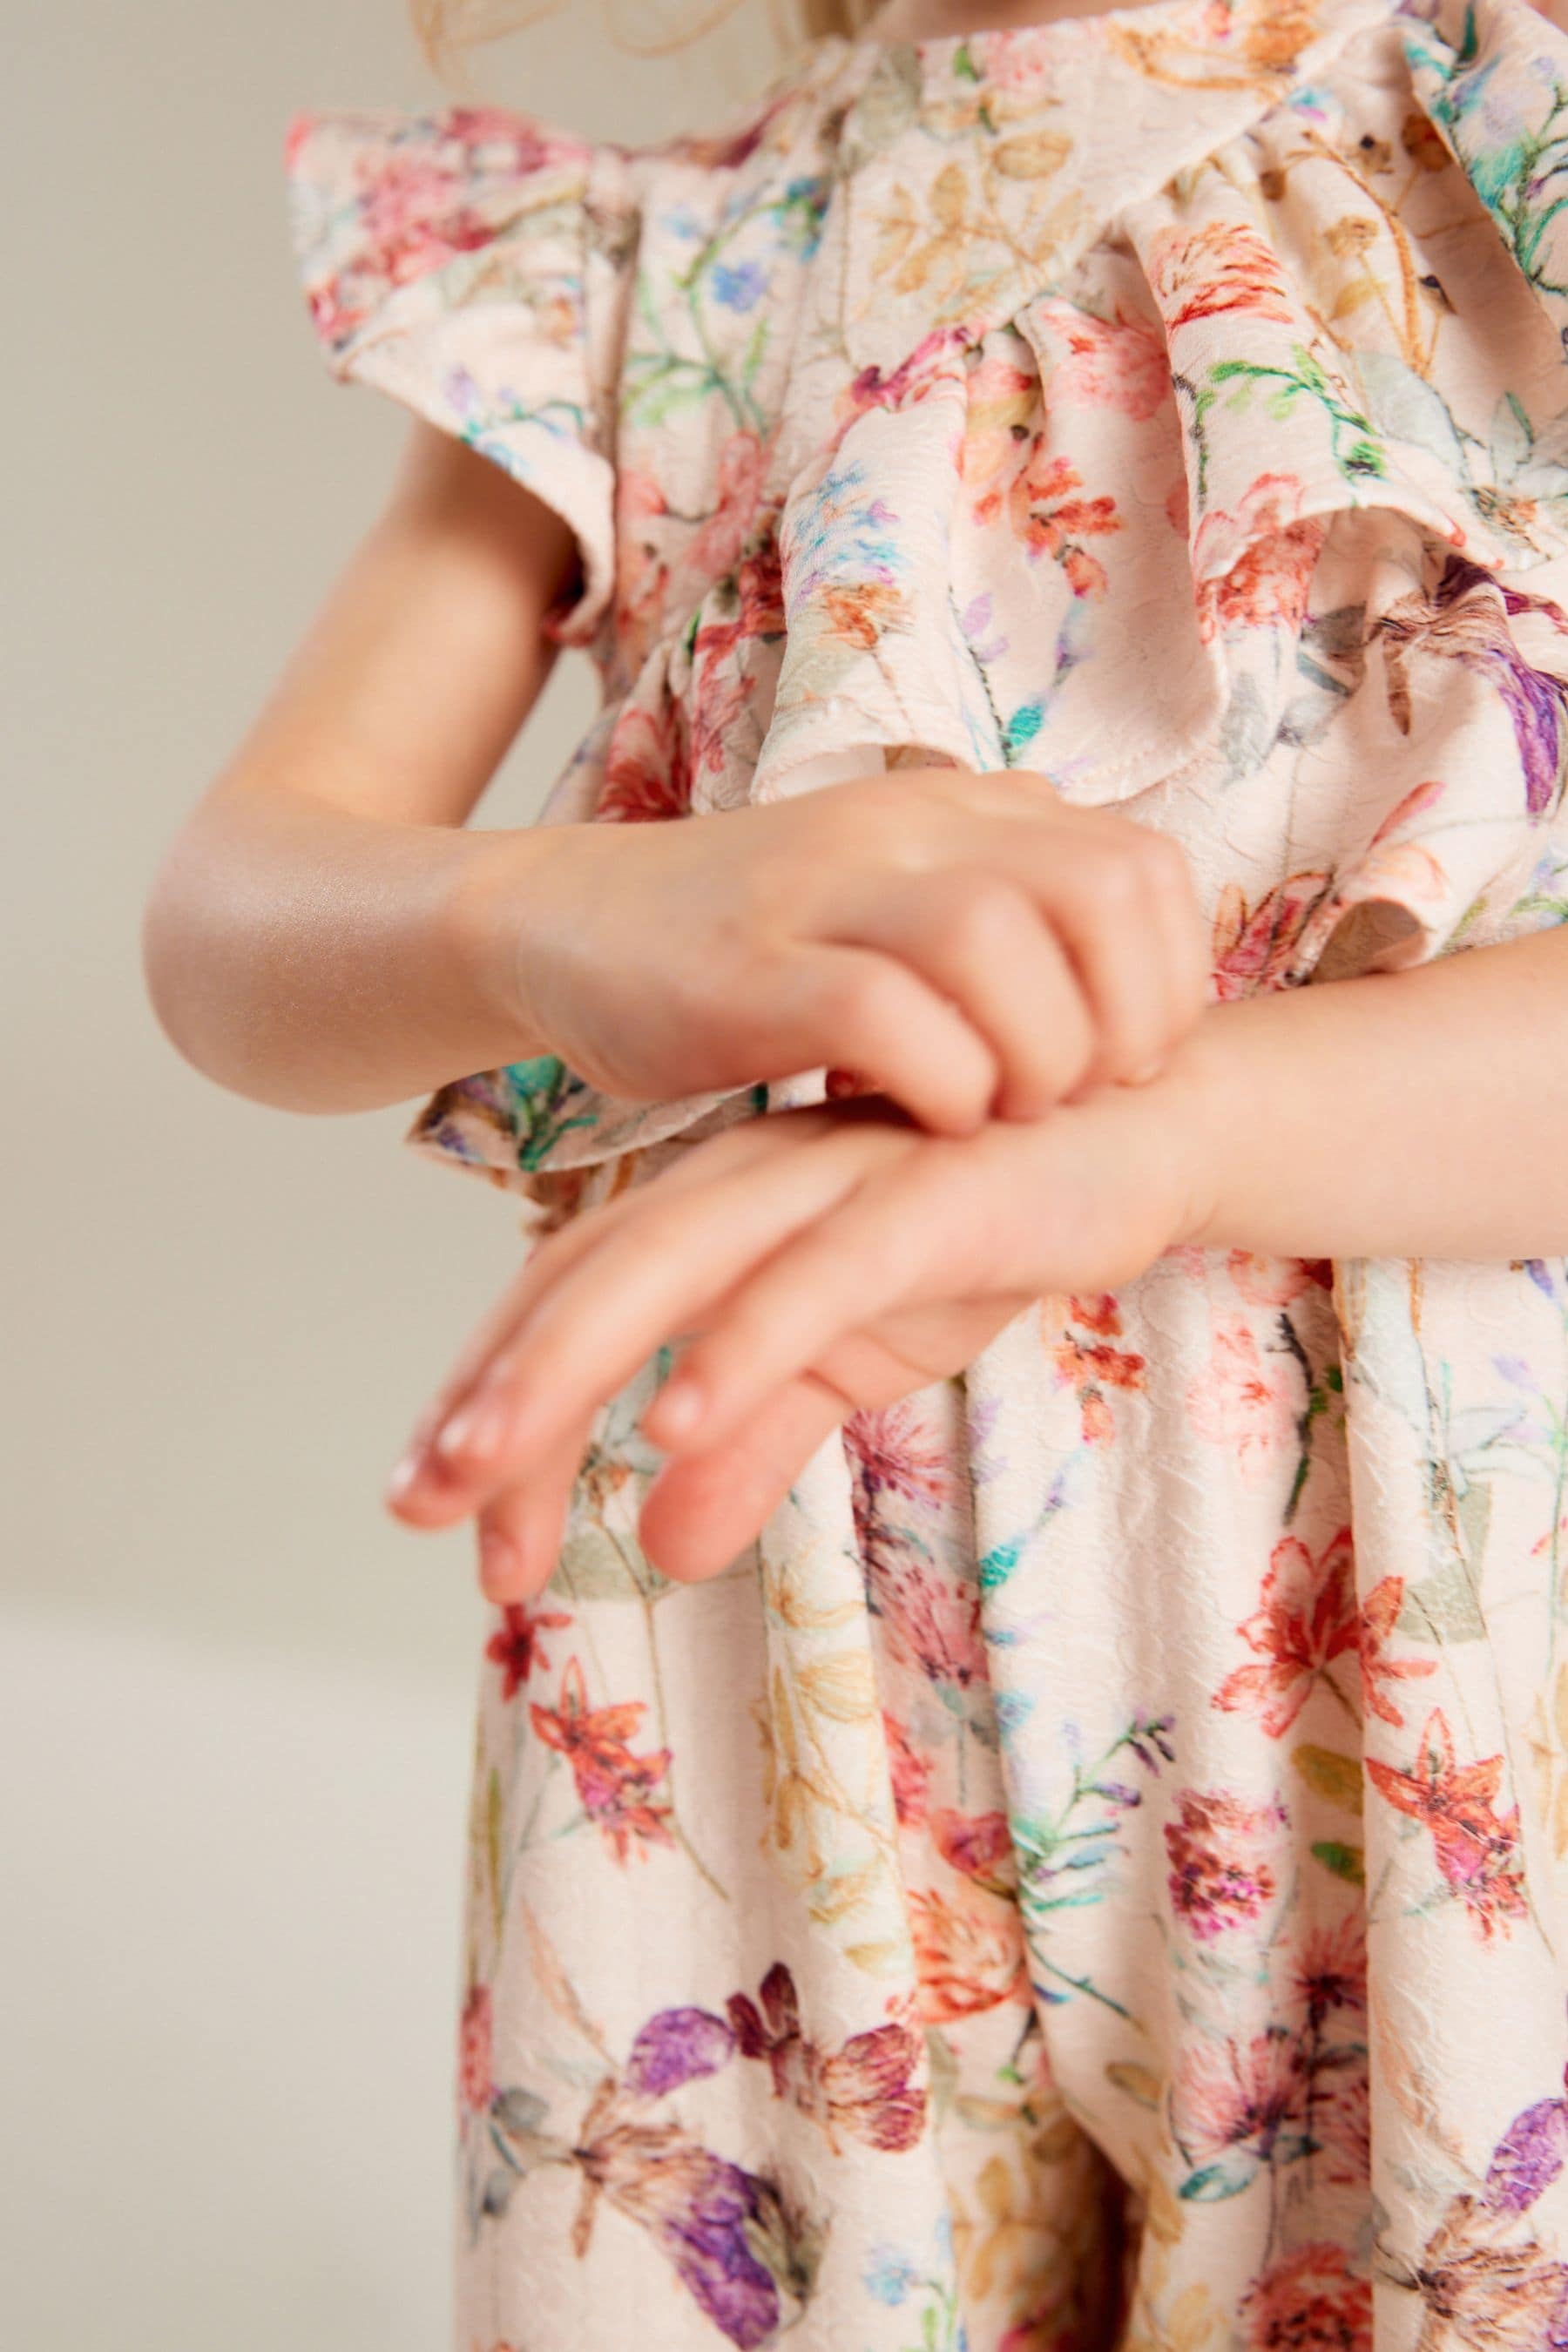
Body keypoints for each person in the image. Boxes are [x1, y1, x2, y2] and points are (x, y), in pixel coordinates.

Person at [143, 0, 1568, 2338]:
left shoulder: (1519, 153)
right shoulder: (649, 267)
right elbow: (230, 921)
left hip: (1433, 1710)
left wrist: (1170, 1134)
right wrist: (567, 908)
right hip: (749, 1705)